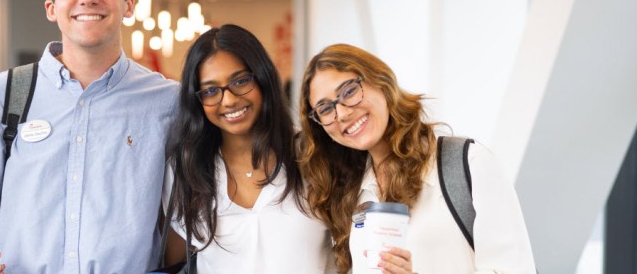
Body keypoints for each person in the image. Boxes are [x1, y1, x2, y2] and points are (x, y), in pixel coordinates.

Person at [0, 0, 178, 273]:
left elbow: (187, 214)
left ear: (129, 4)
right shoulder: (6, 94)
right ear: (52, 9)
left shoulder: (167, 102)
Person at [298, 43, 536, 274]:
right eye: (325, 109)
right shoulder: (349, 194)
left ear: (381, 81)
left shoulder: (469, 164)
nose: (342, 113)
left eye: (349, 91)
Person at [162, 24, 333, 273]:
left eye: (241, 81)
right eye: (211, 90)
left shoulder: (312, 156)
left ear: (263, 78)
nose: (229, 100)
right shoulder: (184, 171)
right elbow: (174, 262)